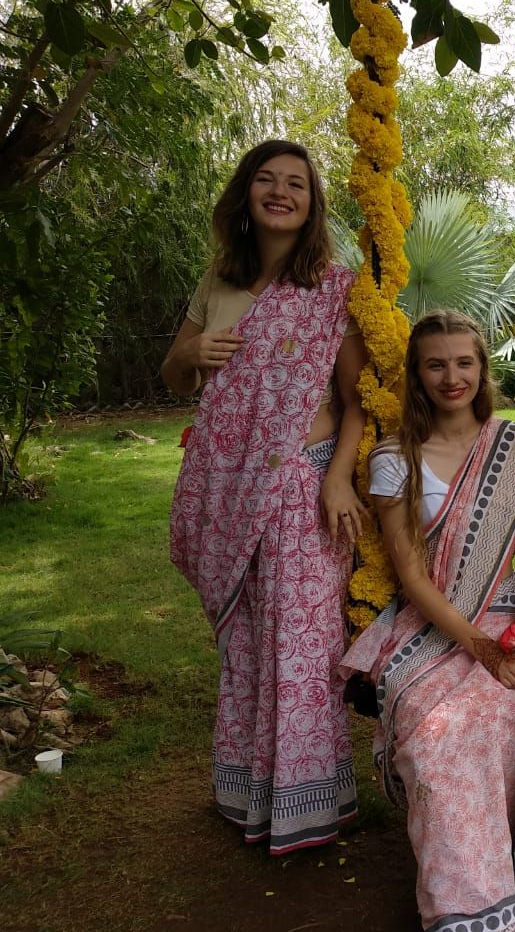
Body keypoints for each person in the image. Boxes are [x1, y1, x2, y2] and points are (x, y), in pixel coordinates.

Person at [165, 140, 367, 853]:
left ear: (312, 204)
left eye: (297, 185)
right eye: (266, 181)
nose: (280, 193)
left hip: (300, 481)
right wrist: (191, 354)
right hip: (225, 484)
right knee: (247, 644)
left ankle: (306, 804)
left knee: (301, 646)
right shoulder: (217, 280)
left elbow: (358, 401)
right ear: (245, 194)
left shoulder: (335, 289)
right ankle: (246, 793)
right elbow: (172, 372)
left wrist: (338, 476)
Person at [338, 310, 515, 932]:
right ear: (416, 373)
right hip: (433, 622)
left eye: (464, 362)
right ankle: (467, 910)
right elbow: (411, 576)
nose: (451, 376)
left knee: (504, 715)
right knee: (433, 739)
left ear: (482, 369)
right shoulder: (393, 459)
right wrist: (479, 646)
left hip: (511, 612)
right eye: (435, 364)